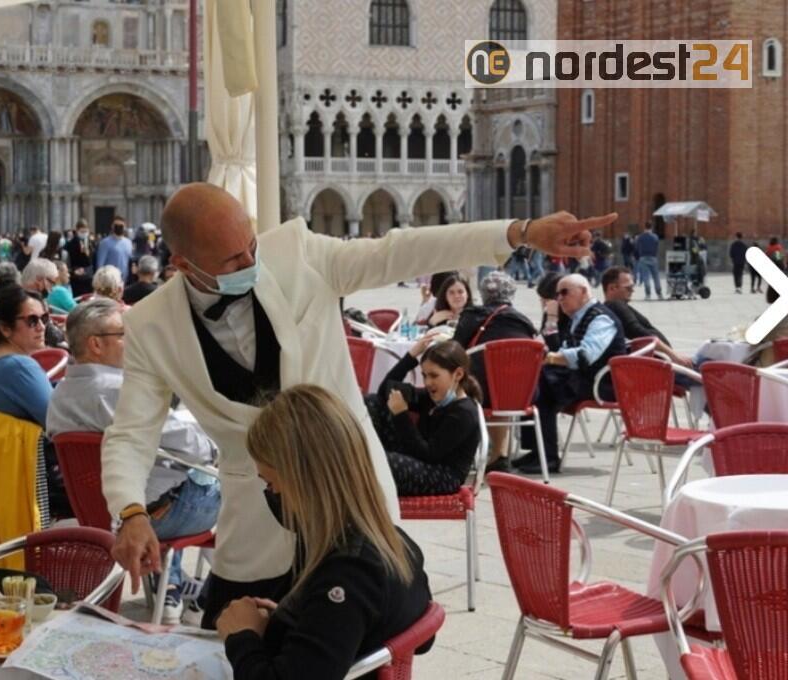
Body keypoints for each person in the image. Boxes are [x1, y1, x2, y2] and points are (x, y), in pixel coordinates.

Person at [102, 181, 613, 626]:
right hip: (255, 519)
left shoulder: (297, 253)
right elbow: (131, 431)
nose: (250, 264)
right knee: (238, 643)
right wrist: (130, 511)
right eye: (233, 261)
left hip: (353, 501)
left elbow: (399, 250)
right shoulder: (151, 325)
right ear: (183, 265)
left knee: (359, 646)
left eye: (251, 247)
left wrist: (519, 232)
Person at [218, 384, 432, 679]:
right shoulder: (395, 543)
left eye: (271, 484)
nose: (273, 495)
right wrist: (301, 620)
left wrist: (241, 637)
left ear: (305, 480)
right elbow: (422, 641)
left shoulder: (348, 574)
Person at [47, 298, 220, 622]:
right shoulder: (119, 390)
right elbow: (192, 448)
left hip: (96, 510)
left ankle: (170, 586)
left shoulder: (60, 394)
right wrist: (217, 449)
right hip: (150, 514)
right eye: (127, 333)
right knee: (245, 490)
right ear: (96, 344)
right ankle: (208, 597)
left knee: (172, 474)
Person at [516, 274, 626, 475]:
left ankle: (547, 456)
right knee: (533, 380)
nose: (560, 298)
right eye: (557, 294)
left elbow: (586, 355)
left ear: (584, 292)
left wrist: (550, 358)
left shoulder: (600, 317)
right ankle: (538, 450)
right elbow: (564, 347)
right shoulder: (578, 317)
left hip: (604, 384)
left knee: (543, 388)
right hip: (585, 378)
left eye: (565, 292)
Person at [376, 334, 482, 495]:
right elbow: (385, 391)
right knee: (373, 403)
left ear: (458, 375)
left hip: (443, 476)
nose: (427, 383)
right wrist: (411, 356)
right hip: (419, 460)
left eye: (434, 375)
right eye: (425, 375)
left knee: (381, 462)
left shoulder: (464, 412)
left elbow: (429, 454)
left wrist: (401, 415)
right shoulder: (432, 397)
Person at [453, 271, 537, 468]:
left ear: (483, 293)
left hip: (482, 392)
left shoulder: (472, 316)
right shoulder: (524, 322)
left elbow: (455, 349)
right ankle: (500, 453)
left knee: (468, 381)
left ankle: (487, 453)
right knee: (504, 383)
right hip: (523, 394)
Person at [0, 285, 51, 426]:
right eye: (32, 321)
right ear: (5, 328)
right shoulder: (20, 367)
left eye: (44, 318)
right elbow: (57, 422)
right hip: (30, 447)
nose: (42, 327)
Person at [601, 266, 692, 366]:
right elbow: (640, 333)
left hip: (657, 362)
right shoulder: (615, 305)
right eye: (628, 288)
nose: (632, 291)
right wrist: (673, 355)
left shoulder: (615, 306)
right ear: (612, 288)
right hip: (657, 366)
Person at [65, 220, 94, 297]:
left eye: (85, 231)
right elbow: (69, 259)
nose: (84, 233)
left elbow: (92, 258)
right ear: (77, 231)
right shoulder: (71, 243)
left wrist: (87, 253)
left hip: (88, 277)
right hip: (76, 277)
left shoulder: (91, 242)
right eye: (82, 231)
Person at [634, 222, 662, 300]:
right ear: (651, 227)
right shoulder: (655, 237)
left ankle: (648, 294)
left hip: (643, 257)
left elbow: (637, 247)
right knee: (656, 276)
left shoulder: (641, 237)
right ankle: (659, 294)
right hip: (653, 257)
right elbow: (657, 247)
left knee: (646, 277)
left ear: (645, 227)